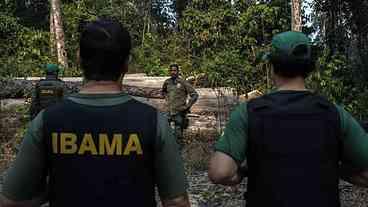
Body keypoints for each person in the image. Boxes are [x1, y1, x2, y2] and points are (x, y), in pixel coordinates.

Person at [1, 18, 190, 207]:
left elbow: (11, 202)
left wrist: (48, 192)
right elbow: (176, 201)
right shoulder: (153, 121)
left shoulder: (47, 120)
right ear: (127, 63)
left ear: (79, 58)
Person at [208, 31, 368, 207]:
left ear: (272, 65)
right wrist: (336, 169)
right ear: (309, 68)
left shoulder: (249, 112)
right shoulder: (334, 113)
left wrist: (242, 173)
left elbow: (220, 172)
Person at [162, 64, 199, 144]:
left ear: (178, 71)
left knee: (178, 136)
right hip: (168, 112)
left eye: (175, 70)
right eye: (171, 70)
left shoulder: (183, 82)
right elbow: (164, 92)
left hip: (179, 112)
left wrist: (187, 106)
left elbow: (195, 95)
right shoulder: (167, 82)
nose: (173, 72)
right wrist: (167, 100)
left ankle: (179, 153)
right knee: (165, 135)